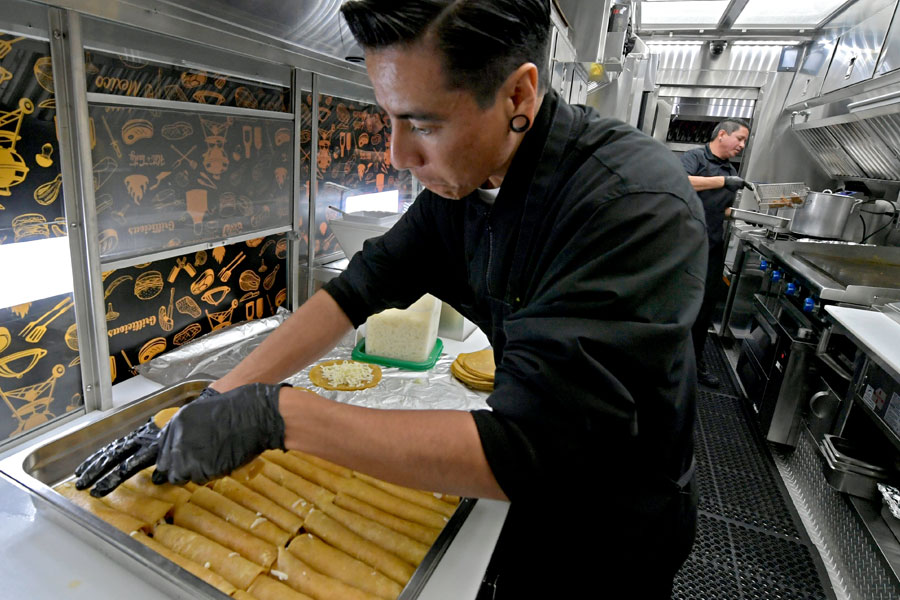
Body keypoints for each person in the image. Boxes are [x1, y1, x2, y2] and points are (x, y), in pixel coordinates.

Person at [76, 1, 707, 596]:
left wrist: (277, 417)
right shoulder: (472, 181)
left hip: (610, 524)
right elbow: (361, 287)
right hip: (523, 501)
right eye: (389, 116)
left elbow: (529, 448)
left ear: (517, 94)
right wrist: (224, 399)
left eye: (424, 123)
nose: (398, 154)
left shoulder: (630, 207)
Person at [681, 119, 753, 388]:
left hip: (712, 246)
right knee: (677, 303)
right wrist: (723, 181)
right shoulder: (695, 158)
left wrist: (746, 217)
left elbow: (720, 209)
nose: (742, 145)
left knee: (703, 308)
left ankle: (695, 363)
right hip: (684, 244)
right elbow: (683, 182)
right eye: (740, 139)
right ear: (722, 134)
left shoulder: (729, 169)